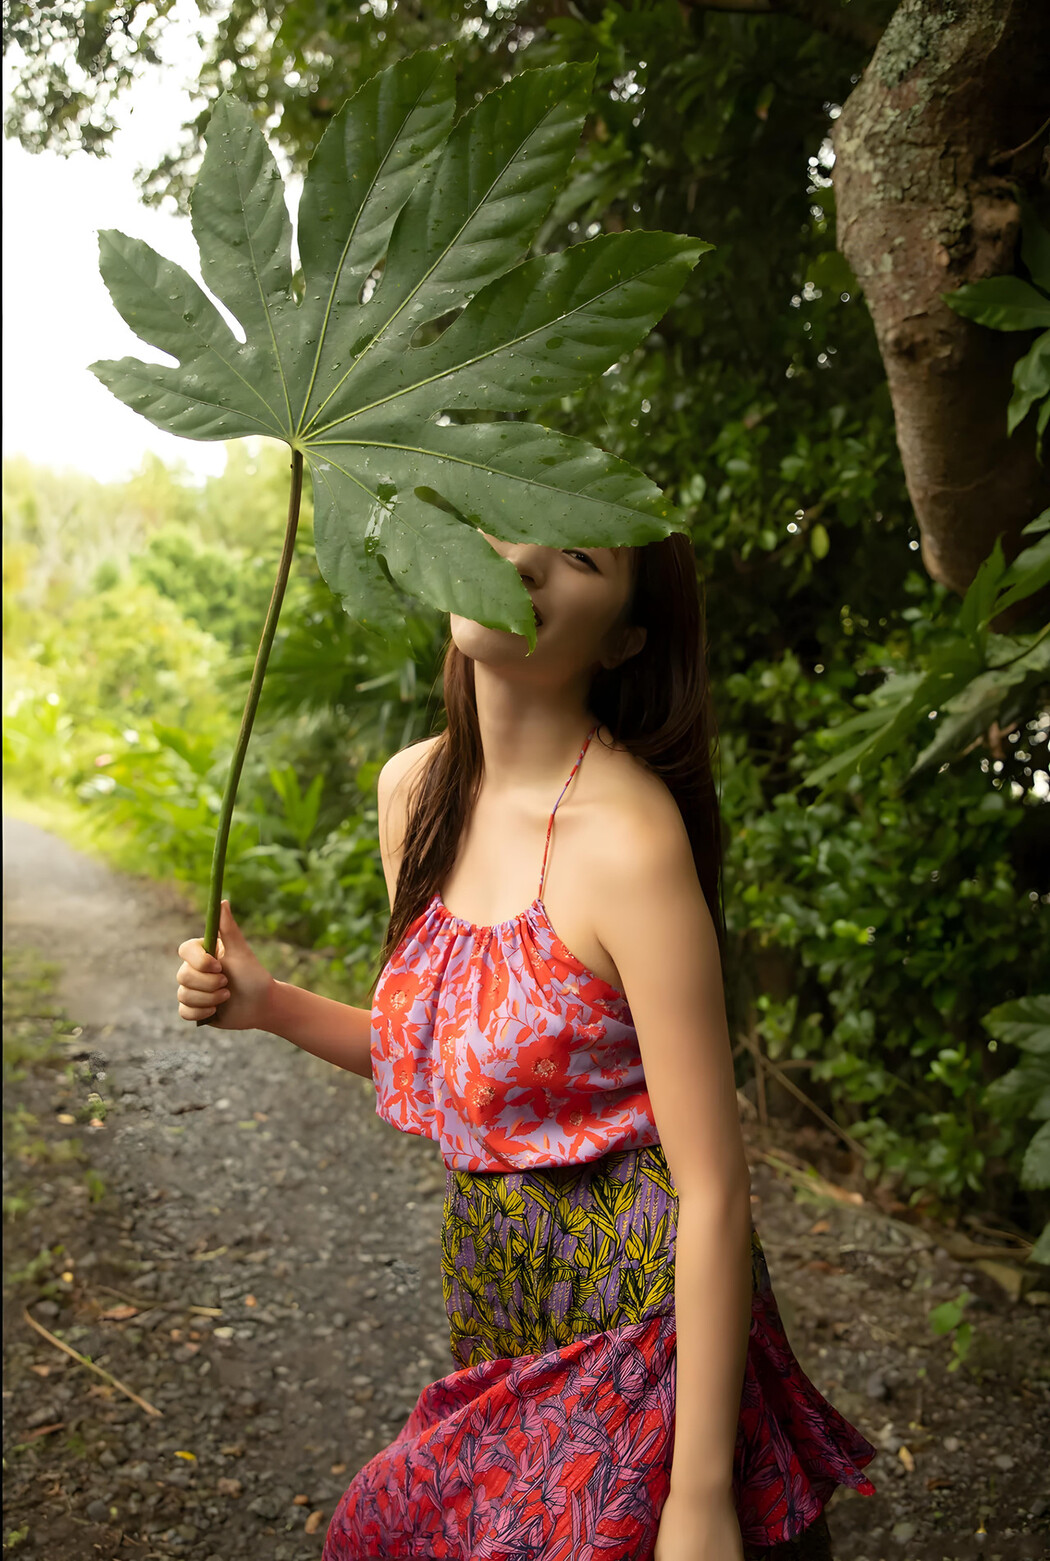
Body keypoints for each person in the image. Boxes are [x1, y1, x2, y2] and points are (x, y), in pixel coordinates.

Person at [176, 532, 877, 1561]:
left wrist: (699, 1497)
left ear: (628, 636)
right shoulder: (413, 793)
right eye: (506, 526)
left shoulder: (629, 839)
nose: (523, 562)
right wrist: (270, 1002)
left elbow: (717, 1187)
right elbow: (472, 1066)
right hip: (505, 1321)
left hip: (642, 1327)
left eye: (579, 555)